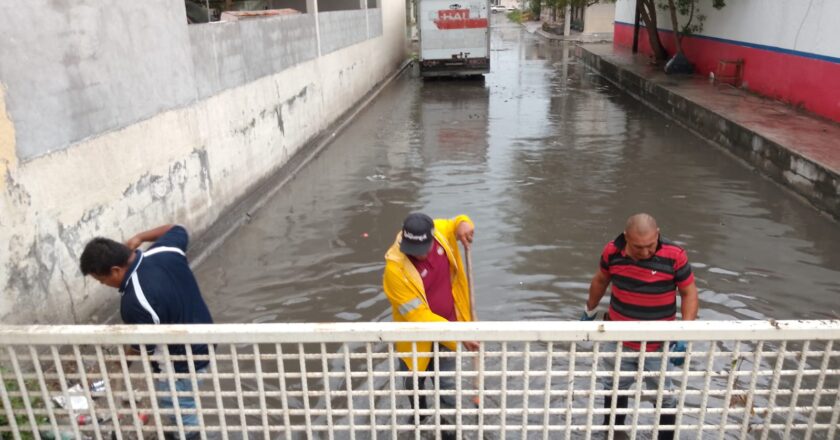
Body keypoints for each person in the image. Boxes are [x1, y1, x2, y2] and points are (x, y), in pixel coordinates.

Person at [80, 224, 212, 440]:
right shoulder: (164, 250)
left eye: (101, 280)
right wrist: (139, 237)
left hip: (179, 365)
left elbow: (145, 346)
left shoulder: (133, 302)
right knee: (185, 404)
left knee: (181, 409)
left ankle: (186, 433)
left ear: (115, 270)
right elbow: (177, 229)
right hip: (207, 340)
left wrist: (124, 358)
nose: (104, 284)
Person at [583, 213, 699, 440]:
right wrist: (589, 311)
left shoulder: (675, 255)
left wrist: (685, 333)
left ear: (657, 234)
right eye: (638, 247)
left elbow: (689, 292)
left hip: (658, 343)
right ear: (626, 238)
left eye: (650, 245)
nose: (645, 253)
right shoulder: (612, 252)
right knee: (615, 387)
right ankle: (613, 433)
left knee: (665, 395)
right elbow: (600, 280)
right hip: (620, 339)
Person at [382, 213, 479, 419]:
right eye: (412, 251)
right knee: (414, 383)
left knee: (447, 385)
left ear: (432, 238)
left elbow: (455, 223)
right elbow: (418, 316)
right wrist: (460, 334)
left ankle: (449, 428)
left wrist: (464, 224)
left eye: (423, 249)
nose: (419, 255)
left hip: (449, 331)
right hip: (416, 339)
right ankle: (421, 416)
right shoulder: (395, 270)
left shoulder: (440, 235)